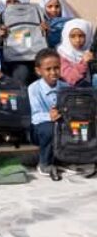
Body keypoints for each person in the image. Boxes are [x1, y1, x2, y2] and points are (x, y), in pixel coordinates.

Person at [28, 49, 67, 177]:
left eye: (56, 68)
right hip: (38, 130)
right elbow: (35, 116)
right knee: (50, 128)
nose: (53, 72)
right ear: (38, 71)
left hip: (62, 126)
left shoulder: (66, 87)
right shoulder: (33, 89)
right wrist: (49, 116)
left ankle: (68, 159)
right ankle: (44, 163)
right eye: (48, 69)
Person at [57, 19, 94, 87]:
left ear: (88, 35)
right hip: (72, 92)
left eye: (81, 36)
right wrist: (83, 63)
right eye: (72, 36)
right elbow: (70, 78)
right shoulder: (63, 54)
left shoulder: (91, 51)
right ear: (66, 37)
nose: (77, 40)